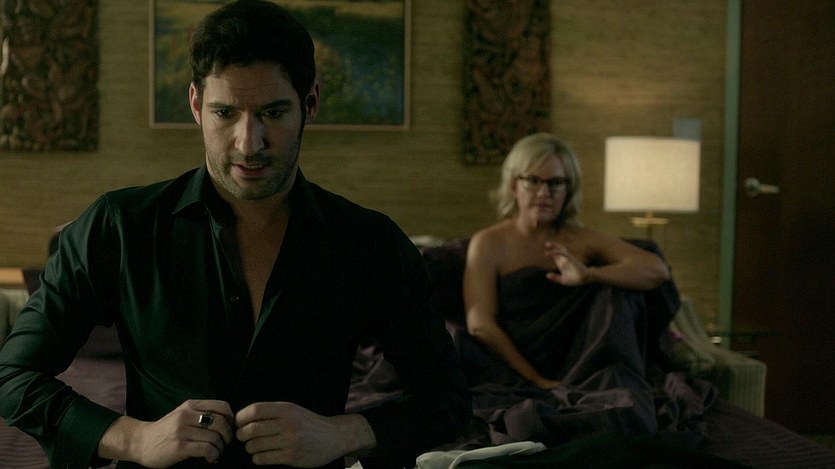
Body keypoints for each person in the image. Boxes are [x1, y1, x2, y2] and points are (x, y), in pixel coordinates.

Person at [0, 1, 470, 468]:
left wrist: (340, 433)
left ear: (310, 104)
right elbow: (12, 375)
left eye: (273, 112)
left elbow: (447, 400)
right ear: (195, 105)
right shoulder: (119, 227)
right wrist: (133, 438)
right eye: (225, 113)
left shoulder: (371, 243)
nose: (249, 143)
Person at [463, 132, 672, 391]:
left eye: (556, 182)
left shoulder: (582, 239)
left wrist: (590, 274)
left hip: (585, 363)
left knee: (619, 294)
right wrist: (536, 381)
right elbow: (480, 325)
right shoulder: (488, 243)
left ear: (568, 189)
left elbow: (657, 270)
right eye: (533, 181)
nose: (544, 193)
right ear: (515, 186)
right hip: (516, 366)